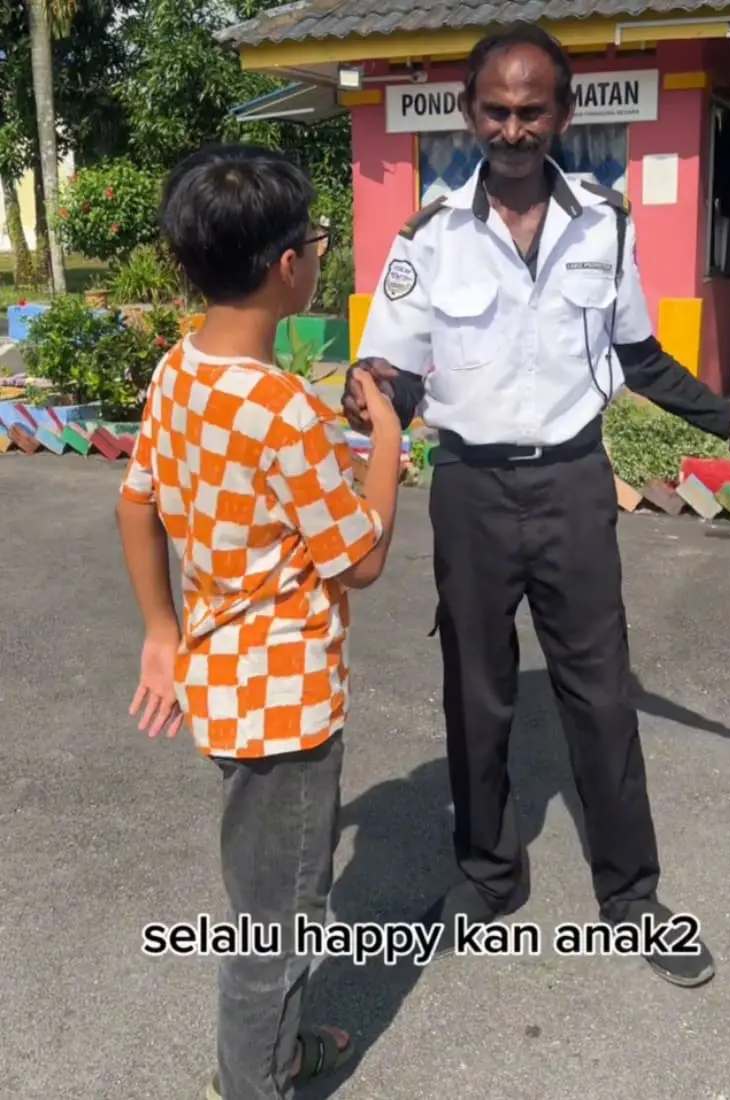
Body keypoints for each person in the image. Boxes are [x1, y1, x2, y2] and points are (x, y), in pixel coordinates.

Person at [343, 26, 730, 988]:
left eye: (531, 111)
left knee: (600, 694)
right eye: (495, 109)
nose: (512, 128)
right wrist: (367, 401)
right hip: (472, 492)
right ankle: (487, 876)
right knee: (476, 694)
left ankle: (633, 898)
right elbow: (391, 372)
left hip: (571, 486)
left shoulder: (604, 226)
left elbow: (641, 358)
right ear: (469, 112)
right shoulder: (429, 238)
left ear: (563, 115)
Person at [115, 143, 403, 1100]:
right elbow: (359, 560)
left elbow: (136, 502)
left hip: (220, 683)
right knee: (275, 925)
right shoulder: (284, 412)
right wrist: (386, 442)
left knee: (271, 899)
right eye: (317, 240)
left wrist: (162, 629)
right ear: (289, 267)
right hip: (284, 705)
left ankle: (270, 1055)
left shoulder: (179, 371)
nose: (320, 254)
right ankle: (255, 1082)